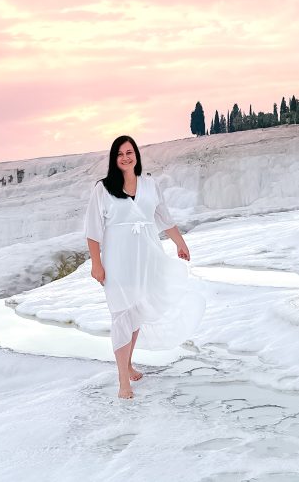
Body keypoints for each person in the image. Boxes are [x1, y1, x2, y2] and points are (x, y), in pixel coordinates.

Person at [84, 135, 205, 399]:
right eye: (120, 154)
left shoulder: (150, 184)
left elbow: (164, 218)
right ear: (113, 159)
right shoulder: (103, 189)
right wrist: (97, 263)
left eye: (129, 152)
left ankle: (127, 365)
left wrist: (180, 244)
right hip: (118, 261)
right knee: (121, 314)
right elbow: (93, 230)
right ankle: (122, 380)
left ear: (136, 155)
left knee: (136, 311)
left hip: (148, 257)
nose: (125, 157)